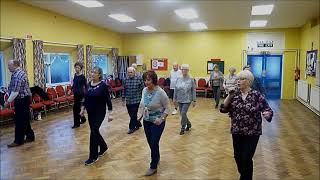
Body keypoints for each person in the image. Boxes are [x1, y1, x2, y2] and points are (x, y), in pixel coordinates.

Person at [220, 70, 273, 180]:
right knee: (238, 157)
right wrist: (229, 96)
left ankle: (245, 178)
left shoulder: (256, 95)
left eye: (241, 79)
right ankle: (244, 176)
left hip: (252, 132)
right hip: (237, 131)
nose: (238, 81)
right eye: (237, 79)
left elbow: (267, 109)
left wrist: (266, 114)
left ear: (248, 82)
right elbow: (223, 109)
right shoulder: (235, 94)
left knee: (246, 158)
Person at [80, 66, 113, 166]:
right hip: (90, 113)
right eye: (92, 72)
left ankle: (93, 157)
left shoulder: (103, 85)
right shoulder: (88, 84)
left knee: (93, 132)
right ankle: (103, 147)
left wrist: (110, 113)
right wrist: (82, 109)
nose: (92, 73)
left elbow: (108, 99)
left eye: (95, 72)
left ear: (99, 75)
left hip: (100, 112)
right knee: (95, 131)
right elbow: (85, 98)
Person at [139, 70, 170, 176]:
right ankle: (156, 156)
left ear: (154, 80)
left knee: (153, 142)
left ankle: (153, 166)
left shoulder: (161, 92)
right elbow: (143, 104)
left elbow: (167, 108)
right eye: (145, 80)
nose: (146, 82)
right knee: (151, 143)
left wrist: (161, 119)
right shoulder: (144, 90)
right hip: (146, 121)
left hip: (158, 122)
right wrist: (140, 115)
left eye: (148, 80)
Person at [5, 60, 35, 147]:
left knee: (19, 121)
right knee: (24, 120)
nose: (8, 67)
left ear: (14, 65)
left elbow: (15, 92)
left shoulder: (17, 75)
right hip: (24, 99)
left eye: (9, 65)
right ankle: (30, 136)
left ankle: (18, 141)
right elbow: (13, 88)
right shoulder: (19, 73)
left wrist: (8, 102)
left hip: (21, 100)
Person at [173, 64, 196, 135]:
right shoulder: (178, 78)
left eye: (185, 69)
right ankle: (188, 124)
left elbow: (193, 90)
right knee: (183, 114)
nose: (184, 71)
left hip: (187, 99)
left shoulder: (191, 79)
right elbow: (176, 89)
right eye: (182, 69)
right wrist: (174, 98)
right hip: (180, 99)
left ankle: (182, 128)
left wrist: (194, 100)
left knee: (183, 113)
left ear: (188, 70)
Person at [122, 67, 144, 134]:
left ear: (134, 72)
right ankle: (138, 124)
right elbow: (124, 89)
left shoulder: (139, 78)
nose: (130, 73)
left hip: (136, 100)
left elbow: (142, 89)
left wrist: (142, 98)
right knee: (131, 115)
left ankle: (131, 128)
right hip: (128, 100)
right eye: (128, 72)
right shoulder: (125, 79)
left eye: (131, 72)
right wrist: (123, 98)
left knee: (134, 114)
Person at [71, 62, 87, 129]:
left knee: (75, 109)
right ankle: (83, 119)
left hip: (81, 94)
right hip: (75, 94)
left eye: (78, 67)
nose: (76, 69)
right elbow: (74, 84)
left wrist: (86, 95)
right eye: (76, 67)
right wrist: (70, 89)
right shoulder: (75, 75)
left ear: (80, 68)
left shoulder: (83, 77)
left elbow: (86, 86)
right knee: (78, 109)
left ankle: (76, 124)